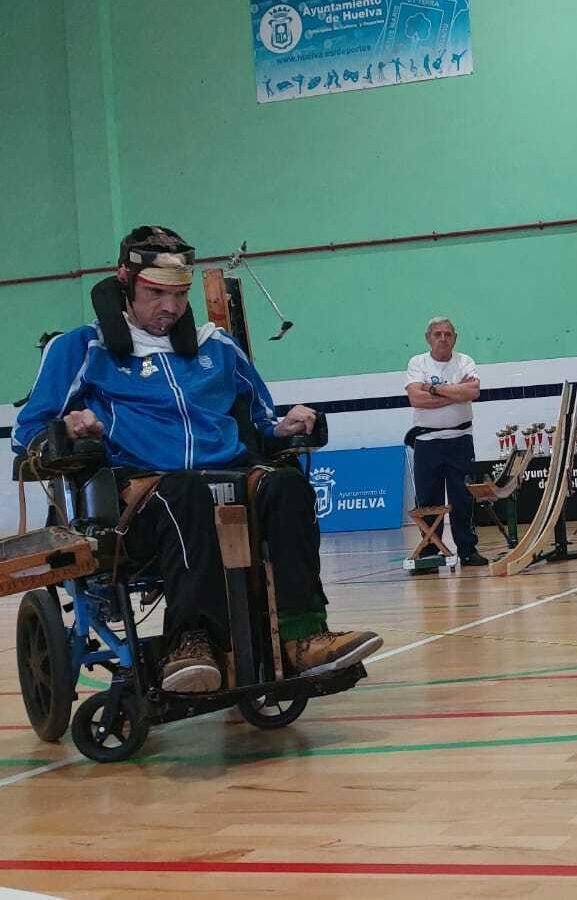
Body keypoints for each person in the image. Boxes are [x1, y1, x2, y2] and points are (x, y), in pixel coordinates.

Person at [13, 225, 382, 693]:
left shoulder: (218, 347)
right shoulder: (82, 348)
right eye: (156, 293)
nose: (170, 306)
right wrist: (66, 430)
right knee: (185, 491)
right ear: (124, 280)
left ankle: (304, 635)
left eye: (180, 294)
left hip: (229, 478)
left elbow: (259, 419)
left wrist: (282, 427)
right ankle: (192, 641)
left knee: (286, 484)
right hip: (139, 499)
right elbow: (28, 433)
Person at [404, 316, 487, 568]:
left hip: (460, 440)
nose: (443, 338)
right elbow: (416, 399)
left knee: (463, 497)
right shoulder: (417, 363)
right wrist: (455, 393)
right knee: (429, 499)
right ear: (428, 338)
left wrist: (432, 389)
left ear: (455, 338)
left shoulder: (465, 361)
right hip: (427, 441)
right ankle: (430, 552)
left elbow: (473, 392)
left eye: (448, 334)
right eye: (437, 334)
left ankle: (467, 550)